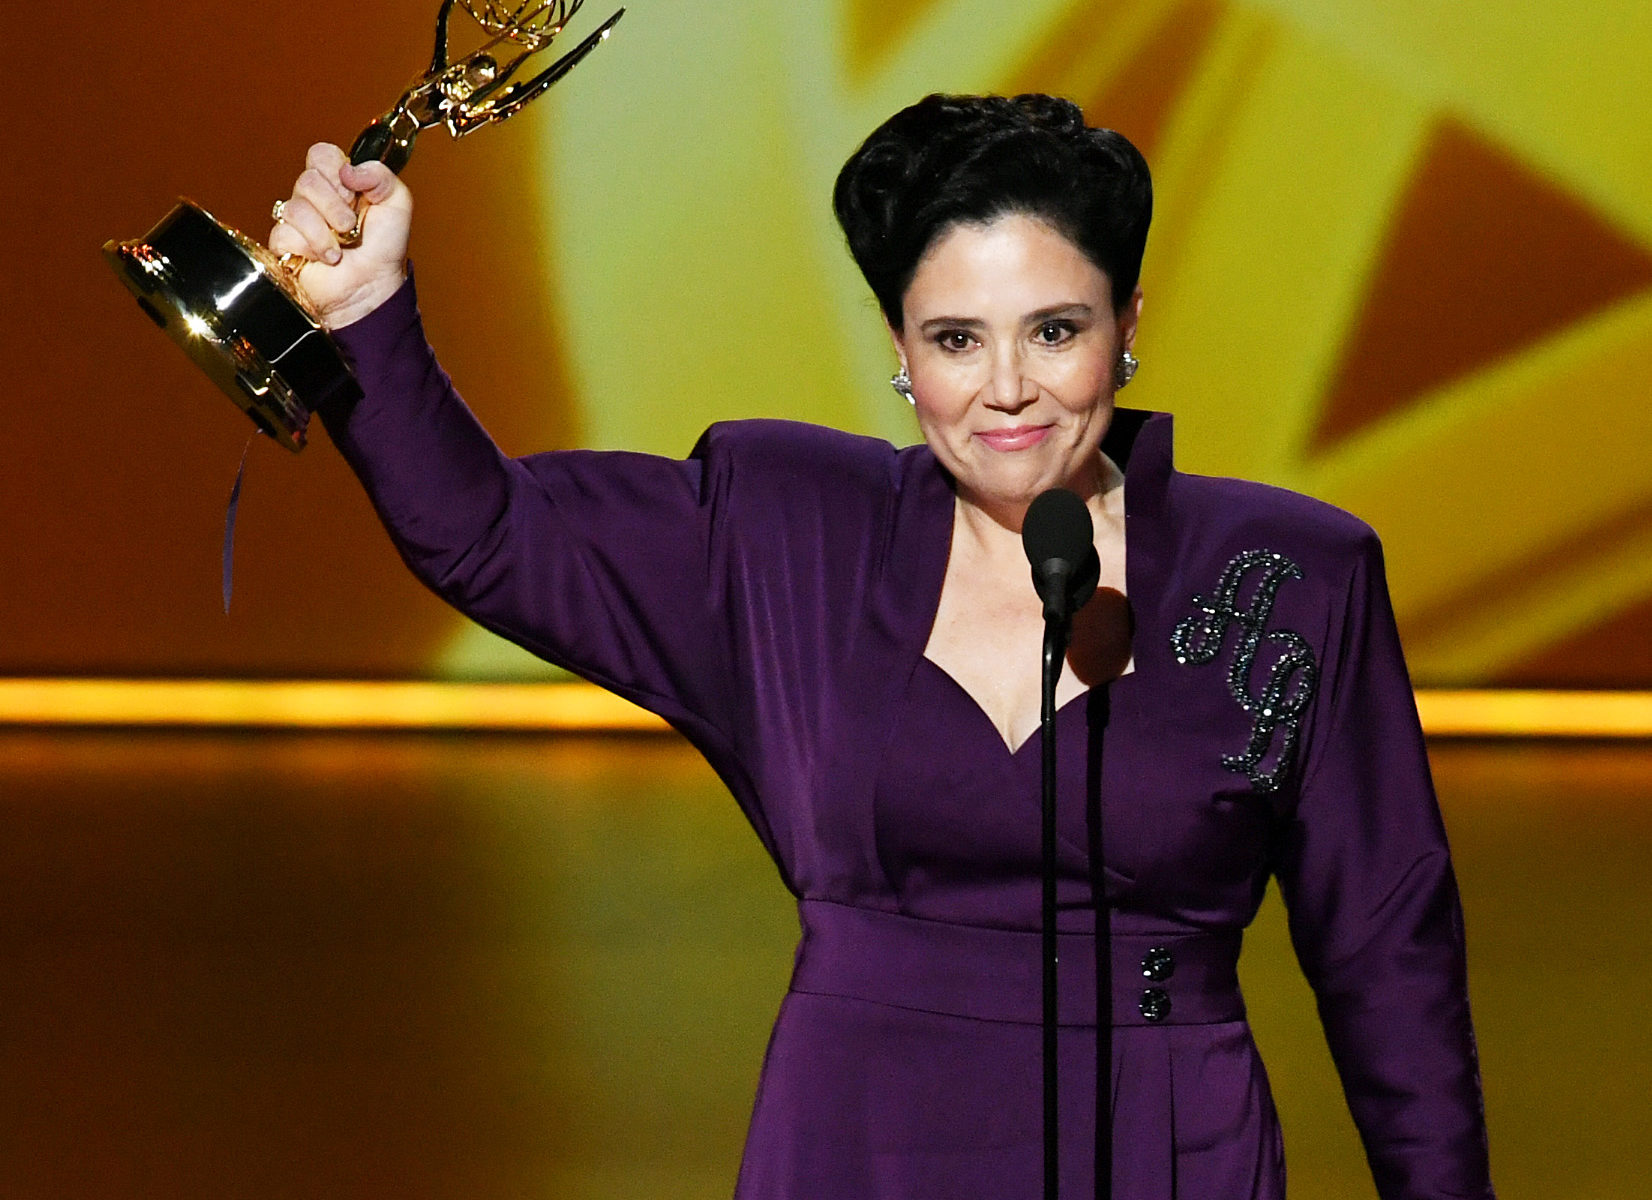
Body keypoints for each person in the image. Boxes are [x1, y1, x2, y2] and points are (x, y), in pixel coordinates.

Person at [268, 93, 1495, 1199]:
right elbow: (491, 535)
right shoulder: (785, 527)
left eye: (1052, 329)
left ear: (1126, 323)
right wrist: (368, 314)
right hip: (861, 1136)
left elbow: (1386, 949)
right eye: (954, 338)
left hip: (1164, 1145)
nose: (1005, 387)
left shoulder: (1291, 577)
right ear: (901, 354)